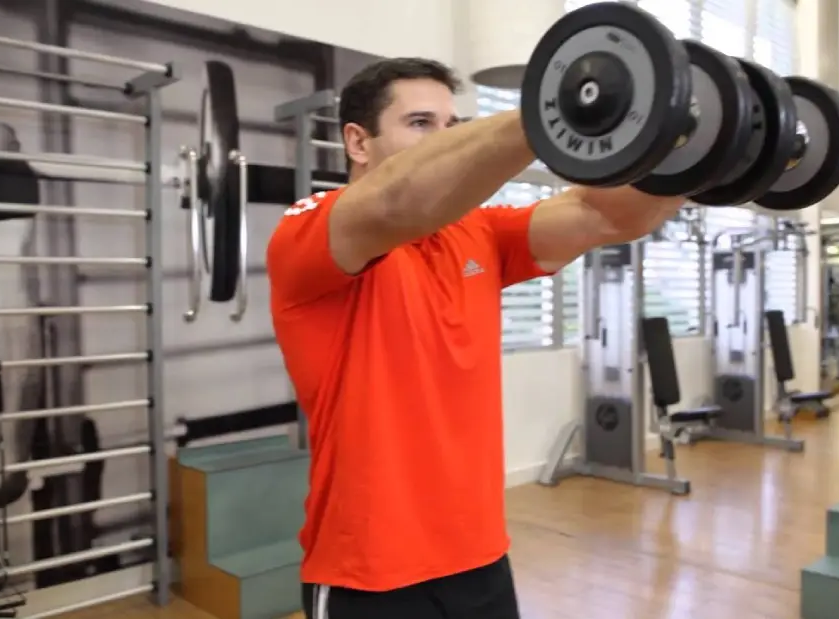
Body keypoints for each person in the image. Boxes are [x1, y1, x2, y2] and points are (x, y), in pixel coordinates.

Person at [267, 57, 687, 619]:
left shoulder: (476, 233)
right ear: (358, 143)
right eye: (420, 123)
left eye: (452, 125)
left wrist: (694, 154)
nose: (444, 139)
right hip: (368, 571)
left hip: (479, 555)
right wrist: (556, 111)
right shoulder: (310, 229)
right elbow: (399, 201)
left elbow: (603, 216)